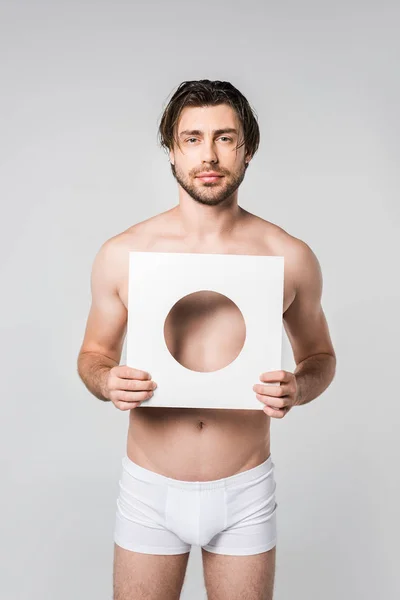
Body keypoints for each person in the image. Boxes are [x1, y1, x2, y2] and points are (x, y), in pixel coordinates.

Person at [77, 79, 336, 600]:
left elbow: (320, 357)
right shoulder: (123, 253)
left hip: (244, 487)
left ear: (247, 148)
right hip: (150, 486)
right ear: (172, 150)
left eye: (225, 137)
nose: (209, 154)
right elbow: (93, 355)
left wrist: (298, 387)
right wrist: (107, 380)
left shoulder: (288, 255)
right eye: (192, 138)